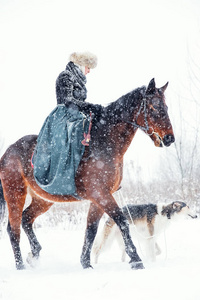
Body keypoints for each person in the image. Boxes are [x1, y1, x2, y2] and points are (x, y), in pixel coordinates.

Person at [32, 51, 102, 196]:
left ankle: (100, 174)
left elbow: (79, 103)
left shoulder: (79, 79)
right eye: (89, 67)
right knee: (68, 141)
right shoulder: (65, 76)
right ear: (82, 64)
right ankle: (64, 177)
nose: (89, 71)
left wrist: (90, 109)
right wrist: (89, 106)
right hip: (63, 116)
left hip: (77, 114)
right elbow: (68, 100)